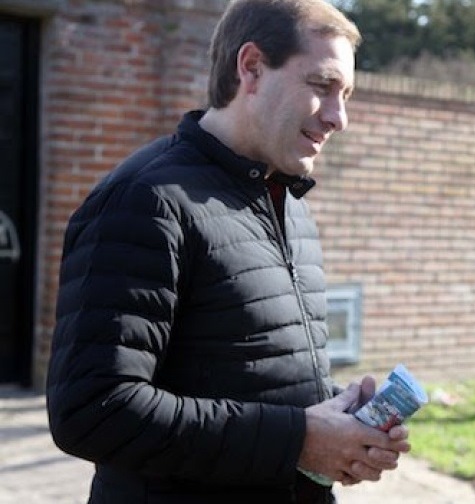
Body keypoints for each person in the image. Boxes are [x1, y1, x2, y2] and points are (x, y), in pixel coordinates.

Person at [46, 1, 409, 503]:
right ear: (252, 68)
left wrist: (339, 427)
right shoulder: (143, 200)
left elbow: (252, 378)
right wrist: (300, 440)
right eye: (322, 87)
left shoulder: (290, 208)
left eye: (345, 95)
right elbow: (92, 410)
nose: (338, 118)